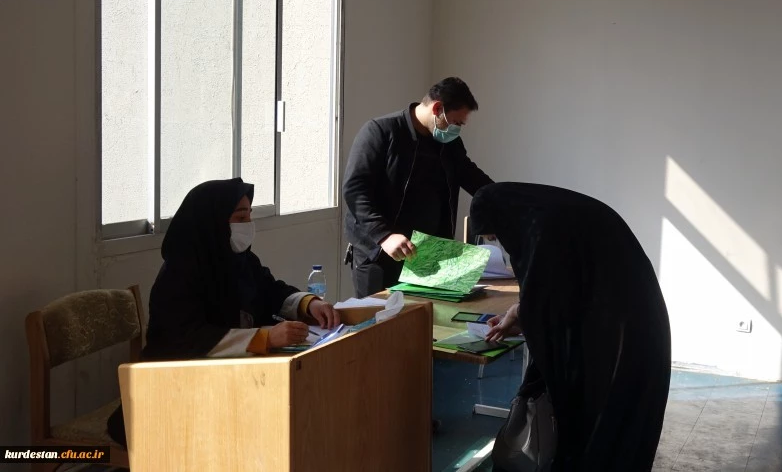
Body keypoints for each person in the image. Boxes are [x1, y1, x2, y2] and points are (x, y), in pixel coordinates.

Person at [105, 178, 342, 445]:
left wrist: (309, 304)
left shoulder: (238, 259)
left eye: (249, 216)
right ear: (213, 220)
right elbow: (190, 338)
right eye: (240, 218)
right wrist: (265, 338)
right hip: (173, 385)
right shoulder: (179, 273)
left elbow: (270, 289)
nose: (248, 225)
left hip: (225, 376)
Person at [470, 182, 671, 470]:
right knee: (617, 433)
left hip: (617, 338)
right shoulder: (557, 214)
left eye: (496, 235)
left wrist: (526, 315)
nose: (500, 243)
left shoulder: (545, 229)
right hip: (635, 324)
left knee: (599, 432)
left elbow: (551, 300)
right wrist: (522, 314)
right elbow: (564, 292)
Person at [342, 77, 493, 297]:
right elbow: (355, 189)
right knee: (379, 317)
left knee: (429, 316)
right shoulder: (381, 131)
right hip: (380, 253)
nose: (457, 130)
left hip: (428, 255)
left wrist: (498, 207)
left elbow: (471, 177)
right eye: (456, 123)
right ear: (437, 109)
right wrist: (384, 236)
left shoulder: (449, 143)